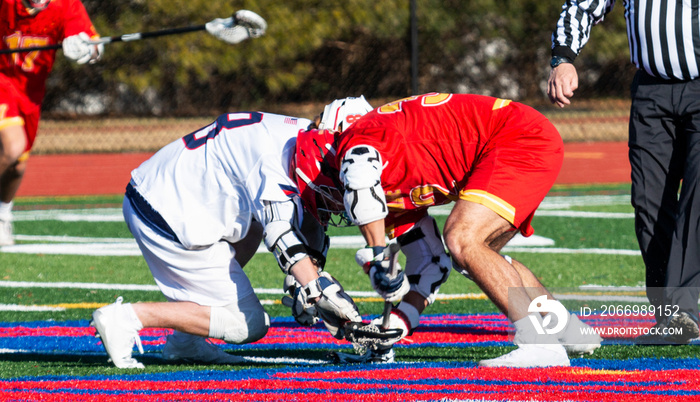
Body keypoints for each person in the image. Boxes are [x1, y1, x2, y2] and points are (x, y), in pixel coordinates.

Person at [296, 93, 602, 368]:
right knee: (475, 255)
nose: (332, 205)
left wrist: (378, 257)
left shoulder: (360, 136)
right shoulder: (387, 185)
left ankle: (539, 343)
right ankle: (563, 327)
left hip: (516, 137)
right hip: (511, 140)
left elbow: (359, 172)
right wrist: (398, 324)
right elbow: (431, 266)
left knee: (463, 239)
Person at [91, 98, 373, 369]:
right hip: (166, 214)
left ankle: (186, 342)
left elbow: (309, 213)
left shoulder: (298, 137)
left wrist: (309, 280)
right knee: (247, 323)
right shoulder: (275, 156)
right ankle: (127, 317)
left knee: (252, 228)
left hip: (171, 196)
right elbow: (282, 235)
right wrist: (317, 291)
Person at [547, 0, 700, 344]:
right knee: (648, 201)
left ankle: (682, 309)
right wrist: (563, 59)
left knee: (696, 199)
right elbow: (583, 6)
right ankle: (670, 316)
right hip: (651, 93)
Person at [0, 0, 103, 246]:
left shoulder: (66, 6)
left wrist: (87, 50)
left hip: (31, 94)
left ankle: (2, 217)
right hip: (2, 80)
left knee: (17, 167)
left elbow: (95, 45)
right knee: (13, 147)